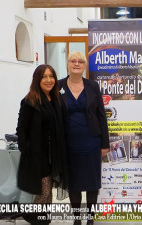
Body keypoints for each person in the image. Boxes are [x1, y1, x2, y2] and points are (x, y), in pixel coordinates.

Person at [58, 51, 109, 225]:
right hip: (68, 143)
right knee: (74, 183)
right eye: (73, 61)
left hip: (92, 142)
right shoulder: (58, 86)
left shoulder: (92, 86)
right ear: (68, 64)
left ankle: (90, 218)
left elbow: (101, 115)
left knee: (92, 182)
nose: (77, 64)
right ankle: (77, 219)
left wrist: (105, 143)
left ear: (85, 65)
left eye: (80, 61)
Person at [16, 64, 68, 224]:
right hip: (38, 155)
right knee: (44, 190)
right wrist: (26, 150)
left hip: (54, 153)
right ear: (37, 79)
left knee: (49, 190)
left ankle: (44, 218)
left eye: (51, 76)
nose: (48, 80)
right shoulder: (30, 100)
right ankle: (32, 216)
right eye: (44, 76)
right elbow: (21, 128)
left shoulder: (56, 99)